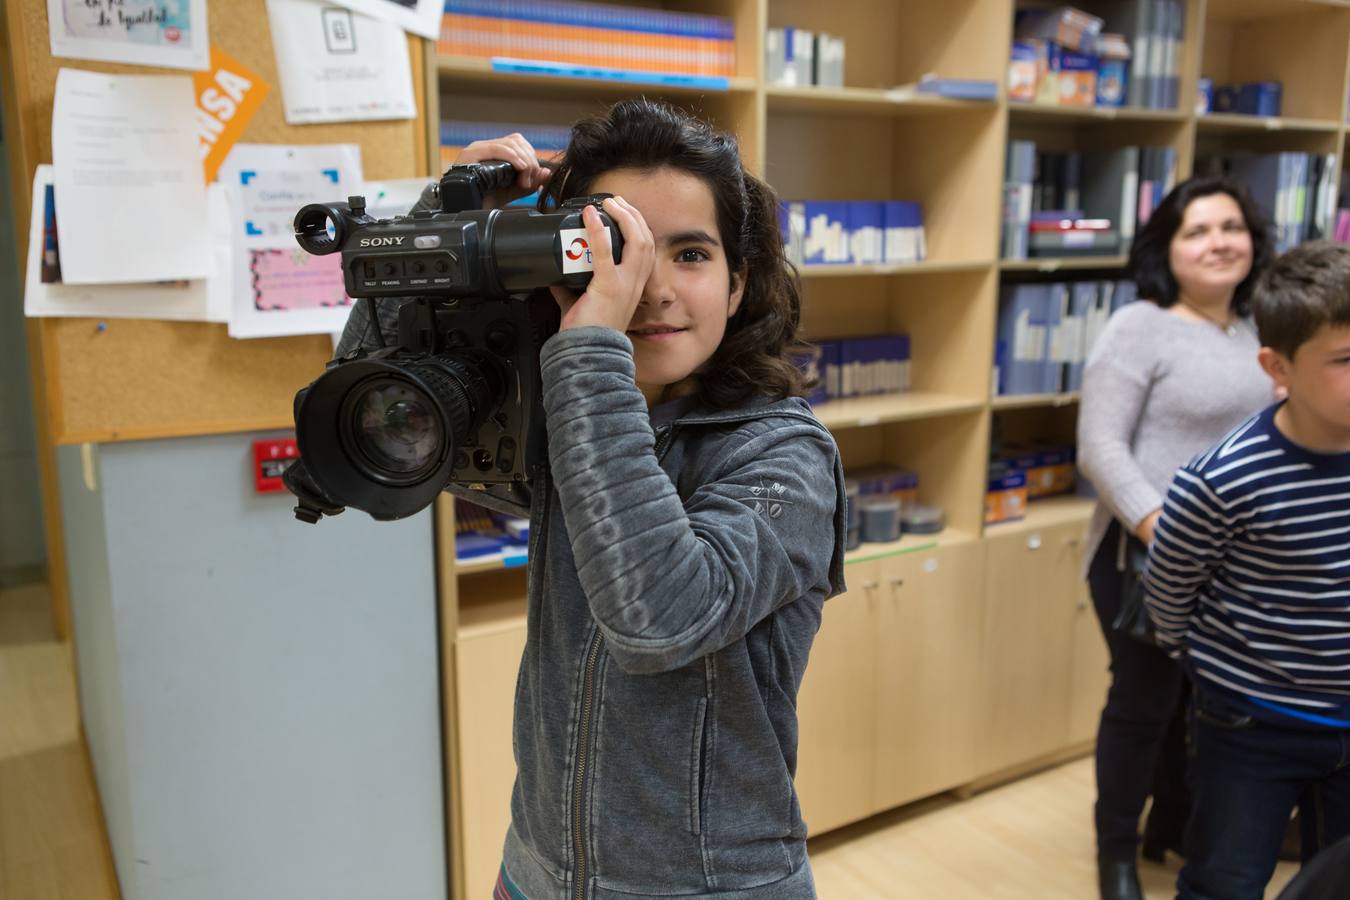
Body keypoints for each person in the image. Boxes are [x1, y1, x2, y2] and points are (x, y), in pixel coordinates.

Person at [339, 100, 847, 898]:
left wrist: (589, 350)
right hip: (536, 870)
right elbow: (367, 397)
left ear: (739, 280)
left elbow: (658, 618)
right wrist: (443, 219)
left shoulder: (783, 452)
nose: (649, 289)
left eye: (689, 253)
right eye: (614, 249)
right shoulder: (567, 403)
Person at [1077, 176, 1277, 900]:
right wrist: (1167, 527)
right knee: (1142, 706)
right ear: (1168, 247)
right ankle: (1118, 854)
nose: (1219, 242)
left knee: (1205, 704)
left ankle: (1177, 825)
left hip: (1238, 564)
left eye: (1232, 226)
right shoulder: (1140, 325)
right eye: (1198, 231)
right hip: (1142, 558)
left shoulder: (1260, 326)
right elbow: (1099, 448)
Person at [1144, 240, 1350, 900]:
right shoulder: (1224, 478)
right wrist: (1220, 671)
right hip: (1251, 724)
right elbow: (1169, 593)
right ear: (1278, 366)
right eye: (1346, 360)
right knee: (1224, 881)